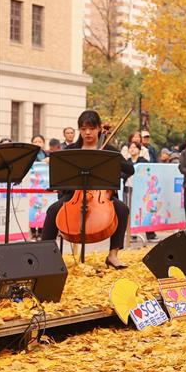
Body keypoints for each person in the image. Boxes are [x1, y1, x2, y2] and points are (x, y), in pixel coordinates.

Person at [39, 110, 134, 269]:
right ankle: (45, 256)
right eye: (83, 129)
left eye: (91, 128)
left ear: (98, 128)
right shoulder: (71, 150)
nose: (87, 132)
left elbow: (129, 169)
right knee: (53, 210)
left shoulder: (109, 149)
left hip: (101, 196)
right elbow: (61, 175)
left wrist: (114, 171)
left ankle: (113, 255)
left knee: (123, 209)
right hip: (74, 195)